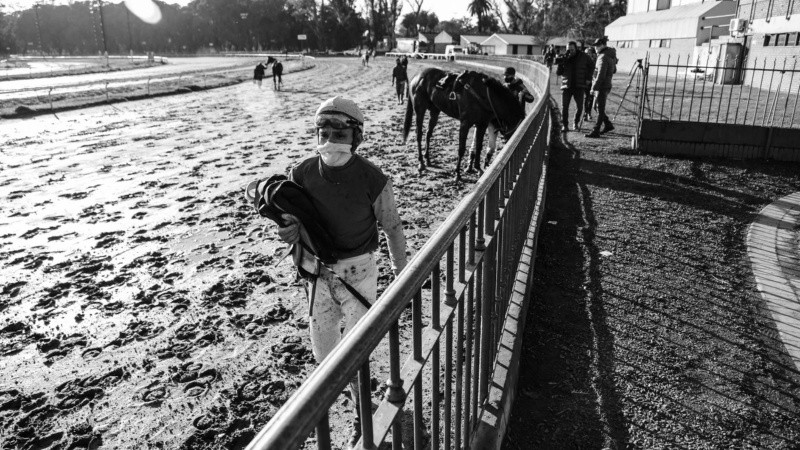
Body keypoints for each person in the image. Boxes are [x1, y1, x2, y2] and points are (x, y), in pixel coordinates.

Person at [275, 96, 407, 448]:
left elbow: (392, 227)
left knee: (356, 353)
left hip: (360, 273)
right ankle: (352, 402)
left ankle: (362, 417)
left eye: (340, 132)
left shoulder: (373, 178)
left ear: (357, 136)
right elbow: (294, 222)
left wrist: (402, 275)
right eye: (324, 131)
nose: (331, 139)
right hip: (317, 276)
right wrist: (288, 232)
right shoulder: (300, 173)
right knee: (324, 355)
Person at [556, 41, 594, 132]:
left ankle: (575, 123)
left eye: (572, 49)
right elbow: (558, 73)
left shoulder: (584, 56)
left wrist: (588, 78)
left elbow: (592, 66)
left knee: (580, 107)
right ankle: (565, 125)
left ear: (576, 48)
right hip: (566, 86)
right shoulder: (564, 57)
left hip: (579, 85)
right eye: (568, 49)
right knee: (564, 107)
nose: (570, 51)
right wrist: (561, 63)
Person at [585, 38, 617, 138]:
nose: (595, 48)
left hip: (602, 86)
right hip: (605, 85)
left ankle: (596, 130)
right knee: (596, 107)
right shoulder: (610, 55)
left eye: (597, 45)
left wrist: (593, 88)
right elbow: (614, 70)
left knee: (600, 107)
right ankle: (607, 124)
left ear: (603, 45)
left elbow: (601, 75)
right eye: (595, 46)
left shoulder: (603, 57)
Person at [583, 47, 598, 122]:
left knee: (591, 98)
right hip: (586, 81)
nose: (587, 54)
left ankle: (589, 113)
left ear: (592, 54)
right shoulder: (583, 61)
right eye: (586, 53)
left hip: (593, 81)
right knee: (586, 97)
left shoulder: (596, 61)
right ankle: (585, 113)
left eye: (589, 53)